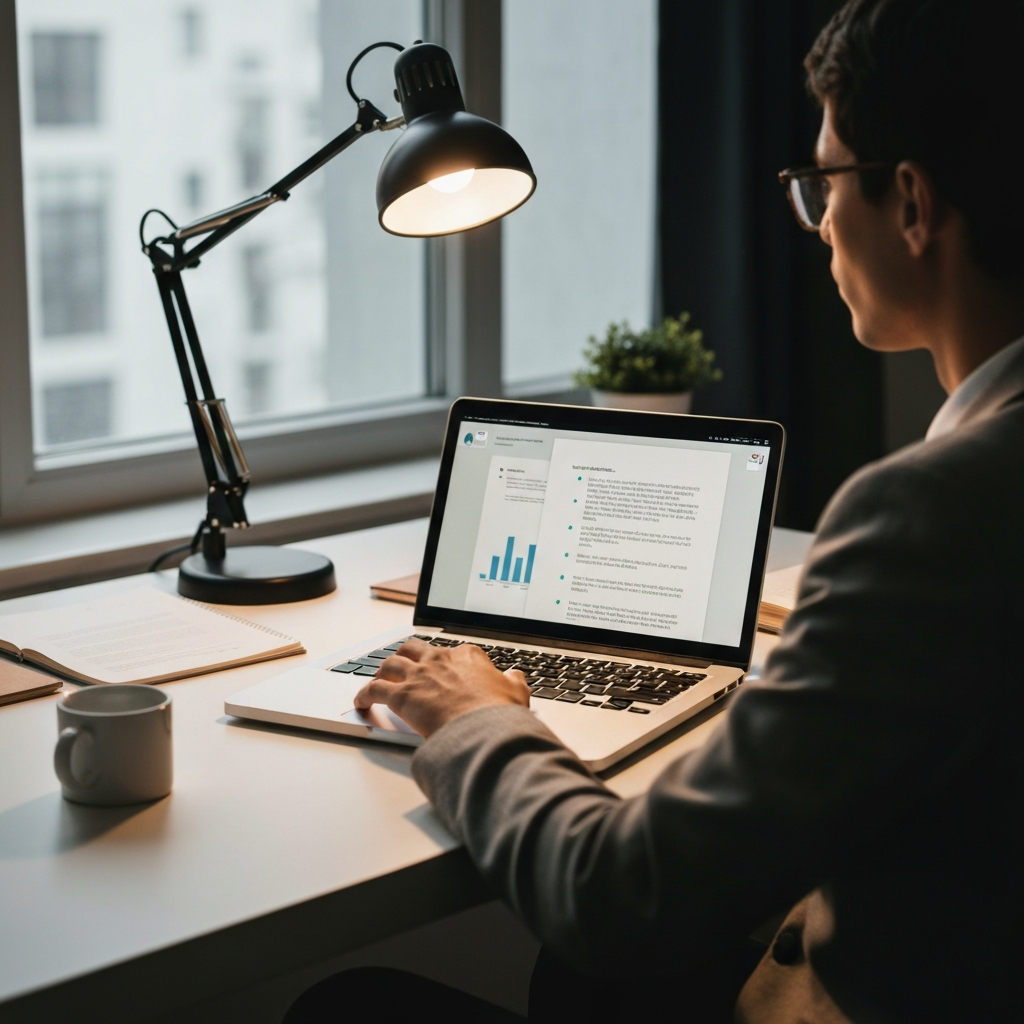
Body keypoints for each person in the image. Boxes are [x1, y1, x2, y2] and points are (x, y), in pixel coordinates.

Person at [284, 0, 1024, 1020]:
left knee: (351, 1004)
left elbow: (618, 895)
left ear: (909, 202)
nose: (813, 227)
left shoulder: (931, 512)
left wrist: (477, 717)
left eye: (821, 183)